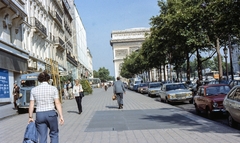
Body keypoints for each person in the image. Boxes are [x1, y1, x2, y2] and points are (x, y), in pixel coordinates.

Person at [28, 71, 64, 143]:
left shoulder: (34, 90)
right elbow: (57, 103)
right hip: (51, 113)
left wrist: (30, 117)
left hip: (40, 114)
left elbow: (31, 104)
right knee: (54, 133)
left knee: (42, 136)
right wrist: (61, 116)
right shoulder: (53, 89)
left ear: (39, 79)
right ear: (48, 79)